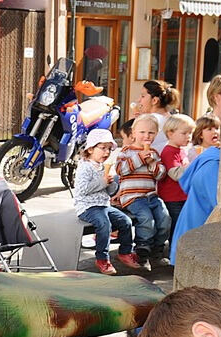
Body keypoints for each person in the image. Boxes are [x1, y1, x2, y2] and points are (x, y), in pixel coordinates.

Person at [73, 129, 141, 275]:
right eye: (102, 148)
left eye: (109, 149)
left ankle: (125, 252)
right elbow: (82, 190)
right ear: (90, 149)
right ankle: (102, 259)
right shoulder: (85, 167)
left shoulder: (104, 167)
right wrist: (102, 182)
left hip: (104, 205)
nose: (106, 152)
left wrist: (111, 183)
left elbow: (110, 192)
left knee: (126, 222)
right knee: (104, 225)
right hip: (88, 207)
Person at [114, 114, 169, 268]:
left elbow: (160, 174)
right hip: (133, 197)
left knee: (165, 219)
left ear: (156, 135)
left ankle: (156, 249)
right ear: (134, 133)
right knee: (146, 219)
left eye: (151, 133)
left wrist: (152, 163)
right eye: (142, 132)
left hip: (151, 195)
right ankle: (142, 249)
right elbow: (120, 170)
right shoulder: (126, 151)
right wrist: (138, 158)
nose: (146, 136)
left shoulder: (155, 154)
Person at [169, 133, 221, 262]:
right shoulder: (213, 165)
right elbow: (218, 204)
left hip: (191, 234)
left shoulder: (209, 158)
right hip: (198, 237)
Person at [158, 113, 195, 244]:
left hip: (182, 196)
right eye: (184, 133)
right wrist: (193, 164)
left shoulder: (181, 150)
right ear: (170, 133)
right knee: (176, 226)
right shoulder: (169, 152)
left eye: (190, 133)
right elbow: (176, 174)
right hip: (172, 198)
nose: (188, 136)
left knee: (182, 224)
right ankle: (173, 252)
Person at [133, 79, 180, 152]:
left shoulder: (150, 120)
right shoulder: (171, 119)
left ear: (154, 100)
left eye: (143, 96)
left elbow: (132, 143)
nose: (139, 100)